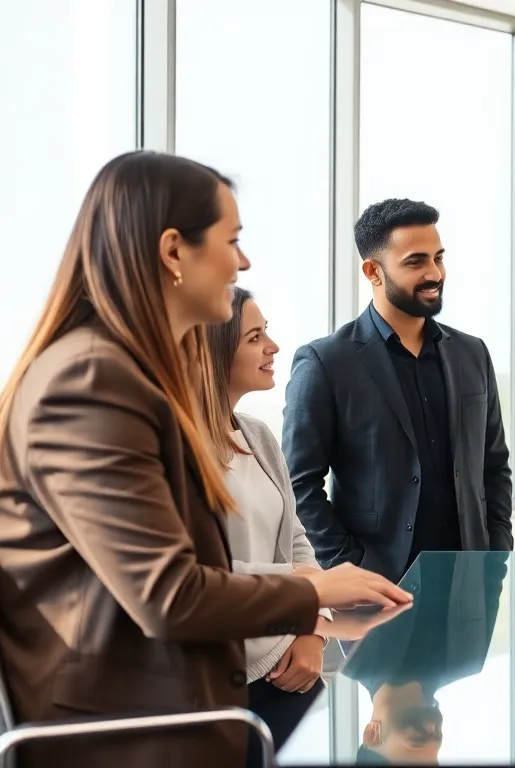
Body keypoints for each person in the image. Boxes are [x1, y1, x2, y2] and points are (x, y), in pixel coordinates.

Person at [0, 151, 411, 768]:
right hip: (127, 740)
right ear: (173, 251)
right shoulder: (89, 381)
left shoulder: (119, 377)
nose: (241, 261)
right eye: (232, 240)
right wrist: (317, 591)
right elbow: (169, 594)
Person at [284, 198, 513, 583]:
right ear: (373, 271)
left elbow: (494, 465)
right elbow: (298, 484)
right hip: (374, 587)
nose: (435, 273)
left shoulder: (472, 353)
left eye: (438, 258)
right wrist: (351, 567)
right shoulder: (325, 362)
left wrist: (495, 554)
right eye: (415, 261)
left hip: (469, 586)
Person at [202, 287, 332, 767]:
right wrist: (306, 588)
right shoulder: (176, 446)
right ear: (211, 353)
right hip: (219, 683)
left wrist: (313, 632)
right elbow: (196, 573)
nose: (273, 347)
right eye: (255, 337)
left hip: (289, 667)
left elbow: (296, 540)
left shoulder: (257, 435)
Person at [342, 551, 509, 764]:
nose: (433, 729)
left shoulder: (353, 655)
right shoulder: (468, 658)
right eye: (437, 737)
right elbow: (494, 566)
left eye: (416, 739)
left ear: (372, 735)